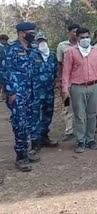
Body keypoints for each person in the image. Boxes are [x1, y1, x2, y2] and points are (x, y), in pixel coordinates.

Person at [1, 22, 39, 172]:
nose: (34, 35)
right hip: (17, 94)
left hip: (30, 92)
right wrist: (10, 93)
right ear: (22, 33)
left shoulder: (31, 50)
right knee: (20, 124)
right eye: (32, 33)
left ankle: (25, 152)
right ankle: (20, 157)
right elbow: (4, 72)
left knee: (29, 123)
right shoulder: (11, 50)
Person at [61, 27, 97, 153]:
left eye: (87, 37)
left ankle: (90, 139)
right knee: (80, 115)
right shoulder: (71, 52)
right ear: (77, 38)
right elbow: (66, 72)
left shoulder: (95, 51)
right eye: (82, 37)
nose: (85, 39)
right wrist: (65, 89)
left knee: (92, 114)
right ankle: (81, 141)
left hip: (93, 86)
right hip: (77, 87)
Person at [30, 32, 59, 153]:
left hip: (49, 91)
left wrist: (56, 84)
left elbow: (56, 72)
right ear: (36, 42)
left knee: (48, 114)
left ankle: (44, 136)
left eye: (43, 40)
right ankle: (35, 142)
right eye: (39, 40)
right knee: (35, 116)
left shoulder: (52, 55)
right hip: (35, 92)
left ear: (47, 40)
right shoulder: (32, 54)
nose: (42, 42)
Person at [56, 24, 80, 142]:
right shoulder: (62, 46)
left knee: (80, 106)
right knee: (67, 105)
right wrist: (60, 81)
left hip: (80, 81)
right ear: (69, 32)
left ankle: (81, 129)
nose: (75, 34)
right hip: (67, 81)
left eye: (77, 32)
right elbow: (60, 64)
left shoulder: (84, 45)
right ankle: (69, 130)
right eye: (73, 32)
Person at [0, 34, 9, 101]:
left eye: (6, 40)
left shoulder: (8, 47)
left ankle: (4, 95)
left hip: (6, 67)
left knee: (5, 81)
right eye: (4, 40)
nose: (5, 41)